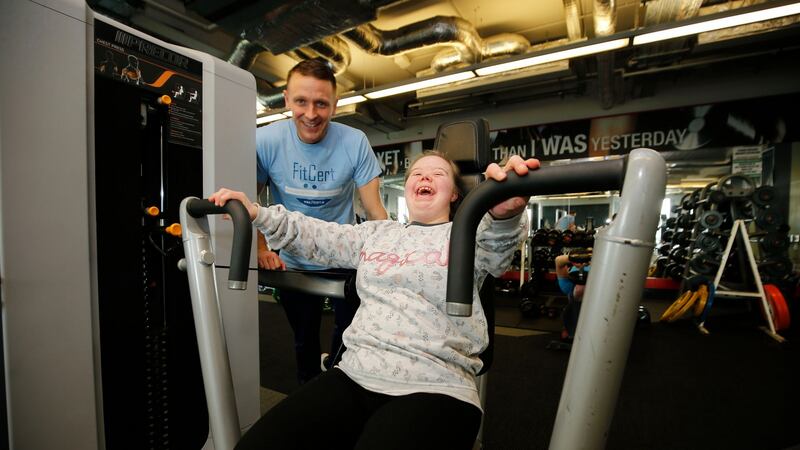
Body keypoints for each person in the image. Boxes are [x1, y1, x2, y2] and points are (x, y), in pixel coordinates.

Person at [210, 151, 540, 450]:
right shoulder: (378, 233)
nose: (424, 177)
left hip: (436, 383)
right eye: (417, 173)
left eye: (438, 174)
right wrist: (256, 213)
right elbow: (318, 235)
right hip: (355, 374)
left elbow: (497, 241)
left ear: (454, 193)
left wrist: (502, 210)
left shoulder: (467, 232)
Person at [256, 58, 388, 384]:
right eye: (301, 101)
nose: (311, 114)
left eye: (321, 103)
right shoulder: (266, 141)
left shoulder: (354, 142)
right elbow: (248, 200)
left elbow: (375, 211)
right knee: (304, 340)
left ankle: (336, 379)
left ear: (335, 104)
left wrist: (390, 255)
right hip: (293, 260)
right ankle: (308, 386)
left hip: (342, 258)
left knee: (349, 335)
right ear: (286, 99)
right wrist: (261, 248)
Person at [555, 248, 592, 343]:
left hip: (600, 287)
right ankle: (572, 330)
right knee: (579, 289)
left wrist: (591, 257)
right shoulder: (567, 283)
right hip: (577, 294)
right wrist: (575, 258)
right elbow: (558, 260)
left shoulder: (598, 264)